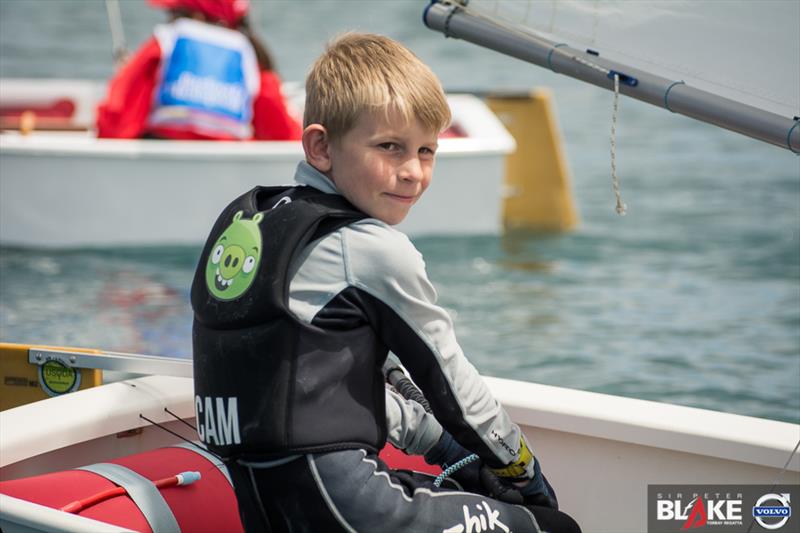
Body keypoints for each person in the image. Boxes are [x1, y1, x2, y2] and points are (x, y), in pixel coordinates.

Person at [190, 32, 581, 532]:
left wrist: (441, 446)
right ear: (321, 146)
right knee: (556, 527)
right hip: (349, 509)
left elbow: (311, 393)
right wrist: (523, 472)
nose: (413, 172)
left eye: (426, 151)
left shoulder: (249, 225)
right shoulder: (370, 247)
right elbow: (454, 387)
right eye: (390, 148)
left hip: (269, 510)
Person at [96, 0, 301, 140]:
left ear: (197, 15)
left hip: (158, 177)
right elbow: (284, 135)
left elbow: (114, 124)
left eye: (175, 12)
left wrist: (125, 75)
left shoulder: (163, 45)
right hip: (231, 187)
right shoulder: (251, 59)